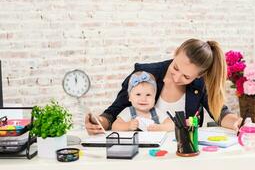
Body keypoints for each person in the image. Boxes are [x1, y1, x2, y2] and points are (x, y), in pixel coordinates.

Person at [85, 38, 242, 135]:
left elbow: (221, 114)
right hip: (145, 152)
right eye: (176, 68)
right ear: (176, 53)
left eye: (187, 77)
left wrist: (236, 122)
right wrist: (98, 123)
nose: (177, 77)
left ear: (198, 76)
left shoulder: (200, 84)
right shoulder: (144, 75)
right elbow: (112, 113)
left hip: (183, 152)